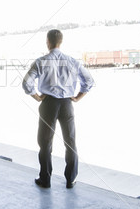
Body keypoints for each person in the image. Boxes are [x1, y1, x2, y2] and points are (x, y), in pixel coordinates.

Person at [22, 29, 94, 188]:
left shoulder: (41, 61)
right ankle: (70, 179)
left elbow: (26, 83)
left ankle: (45, 179)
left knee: (45, 143)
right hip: (67, 104)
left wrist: (38, 97)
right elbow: (88, 81)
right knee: (70, 141)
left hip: (48, 104)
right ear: (61, 42)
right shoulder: (72, 61)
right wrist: (77, 97)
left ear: (48, 42)